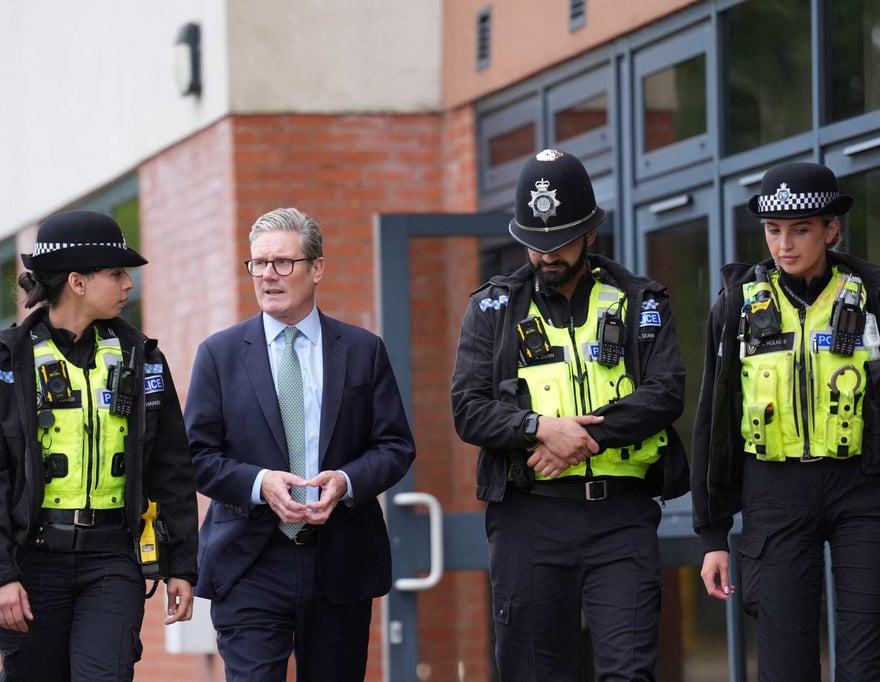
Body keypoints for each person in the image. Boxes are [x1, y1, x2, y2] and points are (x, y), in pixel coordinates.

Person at [451, 149, 690, 681]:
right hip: (528, 519)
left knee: (629, 672)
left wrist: (585, 439)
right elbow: (468, 410)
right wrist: (540, 429)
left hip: (620, 517)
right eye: (535, 245)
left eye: (559, 242)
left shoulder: (639, 299)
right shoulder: (492, 309)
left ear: (590, 235)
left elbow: (666, 391)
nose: (547, 256)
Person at [0, 210, 198, 681]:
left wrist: (183, 566)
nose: (128, 284)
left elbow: (171, 467)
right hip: (32, 564)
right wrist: (0, 577)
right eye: (115, 273)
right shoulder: (2, 364)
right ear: (77, 281)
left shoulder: (143, 359)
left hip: (113, 560)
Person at [184, 206, 415, 681]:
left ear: (317, 269)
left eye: (282, 263)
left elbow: (394, 445)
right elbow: (196, 457)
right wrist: (260, 482)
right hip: (249, 558)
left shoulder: (362, 349)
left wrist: (347, 481)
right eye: (257, 264)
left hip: (340, 558)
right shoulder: (219, 354)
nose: (268, 275)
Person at [692, 161, 880, 680]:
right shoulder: (736, 306)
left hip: (862, 491)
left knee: (867, 660)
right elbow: (715, 420)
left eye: (800, 229)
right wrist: (712, 534)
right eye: (774, 231)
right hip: (773, 494)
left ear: (831, 229)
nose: (784, 245)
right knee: (785, 665)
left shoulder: (872, 295)